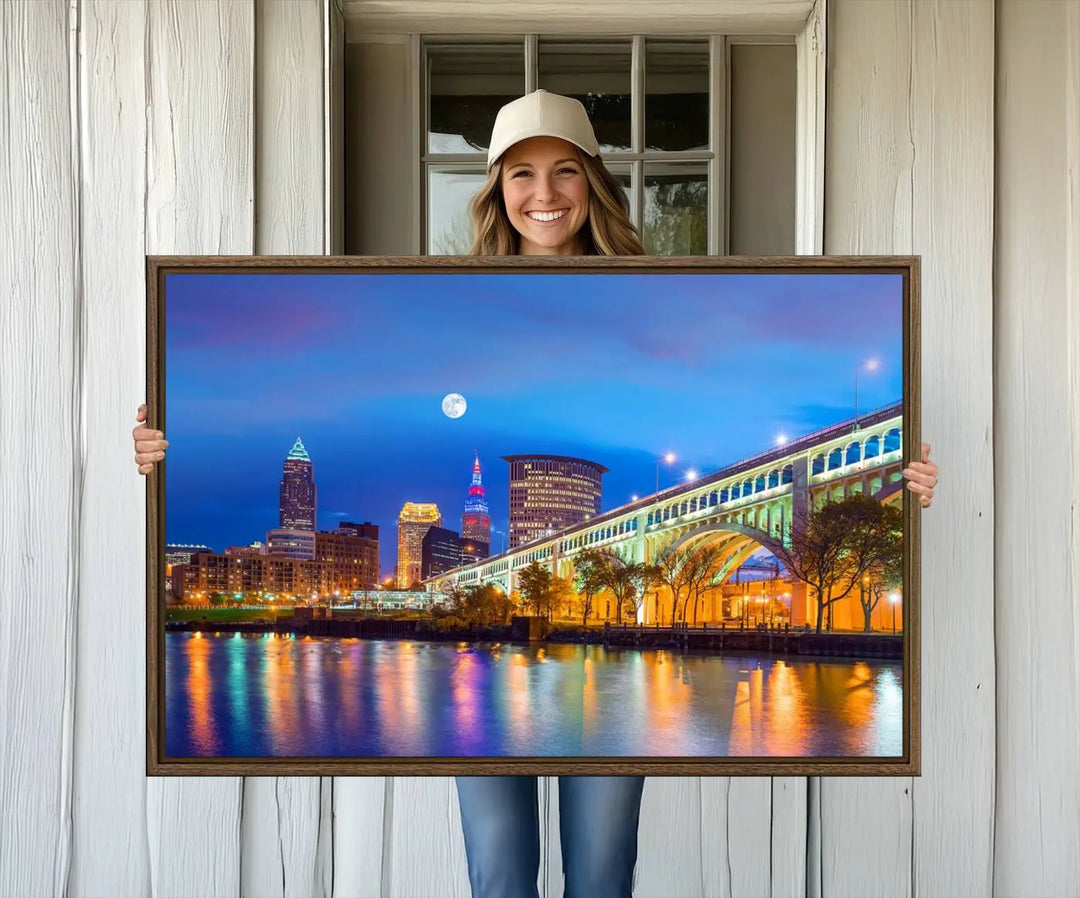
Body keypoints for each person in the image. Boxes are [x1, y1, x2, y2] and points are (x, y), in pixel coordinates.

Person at [132, 90, 940, 898]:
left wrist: (907, 489)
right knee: (499, 870)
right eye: (522, 174)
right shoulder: (446, 301)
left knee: (601, 870)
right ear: (496, 189)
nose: (544, 194)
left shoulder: (653, 292)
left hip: (598, 692)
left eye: (564, 172)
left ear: (593, 182)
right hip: (500, 697)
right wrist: (162, 446)